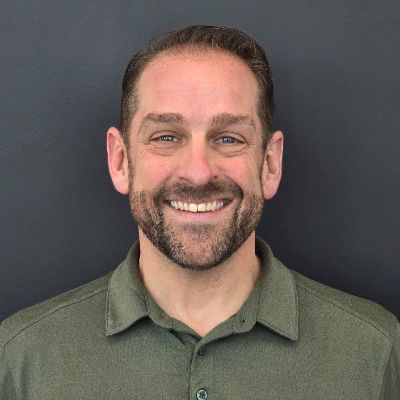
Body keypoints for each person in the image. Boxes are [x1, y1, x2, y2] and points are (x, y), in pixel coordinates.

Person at [1, 25, 399, 399]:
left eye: (228, 138)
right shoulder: (22, 358)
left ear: (270, 164)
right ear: (120, 160)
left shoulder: (373, 350)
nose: (198, 172)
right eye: (166, 137)